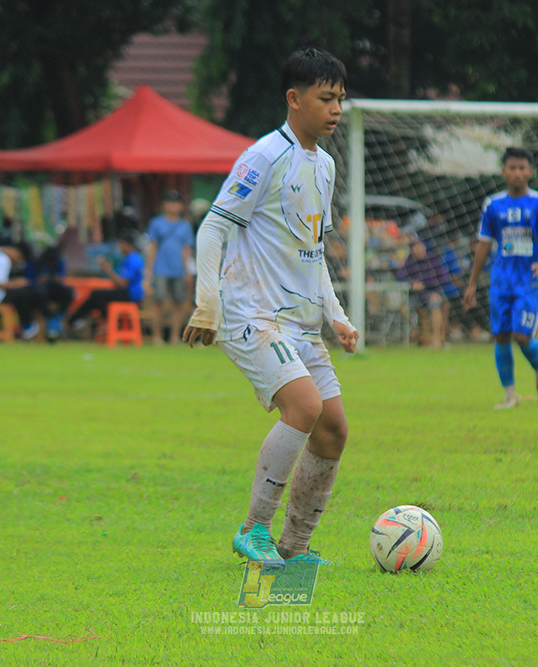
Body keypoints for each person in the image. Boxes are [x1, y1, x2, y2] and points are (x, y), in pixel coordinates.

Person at [183, 48, 358, 565]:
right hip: (251, 315)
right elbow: (213, 226)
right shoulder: (263, 156)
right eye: (326, 99)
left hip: (299, 324)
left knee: (333, 428)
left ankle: (295, 545)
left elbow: (314, 250)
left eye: (341, 101)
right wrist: (206, 303)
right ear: (294, 98)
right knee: (303, 408)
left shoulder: (324, 166)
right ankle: (253, 529)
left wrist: (337, 315)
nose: (335, 110)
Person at [462, 147, 538, 410]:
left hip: (527, 280)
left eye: (522, 168)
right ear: (504, 171)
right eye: (512, 168)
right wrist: (472, 283)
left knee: (522, 334)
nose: (517, 173)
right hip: (500, 280)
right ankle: (510, 396)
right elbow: (484, 244)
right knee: (502, 335)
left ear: (530, 171)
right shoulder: (493, 205)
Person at [67, 227, 145, 332]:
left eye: (121, 244)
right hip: (126, 293)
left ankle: (107, 321)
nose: (119, 247)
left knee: (96, 295)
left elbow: (122, 284)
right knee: (95, 297)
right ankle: (76, 320)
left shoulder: (134, 260)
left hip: (130, 295)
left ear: (127, 245)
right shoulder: (129, 258)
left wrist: (108, 270)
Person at [145, 190, 195, 344]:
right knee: (158, 302)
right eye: (170, 202)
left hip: (178, 270)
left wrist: (188, 272)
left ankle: (175, 336)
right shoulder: (156, 223)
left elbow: (186, 250)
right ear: (164, 205)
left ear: (181, 206)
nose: (173, 206)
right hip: (160, 269)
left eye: (176, 203)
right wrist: (148, 271)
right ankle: (157, 336)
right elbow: (152, 247)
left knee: (179, 303)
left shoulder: (185, 226)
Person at [0, 235, 46, 340]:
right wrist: (18, 283)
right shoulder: (1, 259)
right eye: (20, 257)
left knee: (23, 293)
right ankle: (27, 324)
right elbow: (0, 284)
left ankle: (26, 324)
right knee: (25, 294)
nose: (18, 261)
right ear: (15, 251)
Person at [397, 237, 449, 348]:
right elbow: (400, 276)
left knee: (435, 304)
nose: (419, 250)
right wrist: (412, 283)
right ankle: (421, 333)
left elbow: (444, 278)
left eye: (421, 247)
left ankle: (436, 338)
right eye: (416, 247)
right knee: (402, 308)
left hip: (432, 293)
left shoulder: (433, 260)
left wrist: (433, 289)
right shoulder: (410, 262)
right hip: (416, 296)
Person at [26, 243, 75, 342]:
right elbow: (28, 281)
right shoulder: (35, 263)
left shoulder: (59, 262)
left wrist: (55, 279)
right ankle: (51, 320)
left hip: (54, 290)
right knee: (39, 293)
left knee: (68, 292)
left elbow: (61, 279)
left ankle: (57, 318)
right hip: (38, 293)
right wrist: (39, 280)